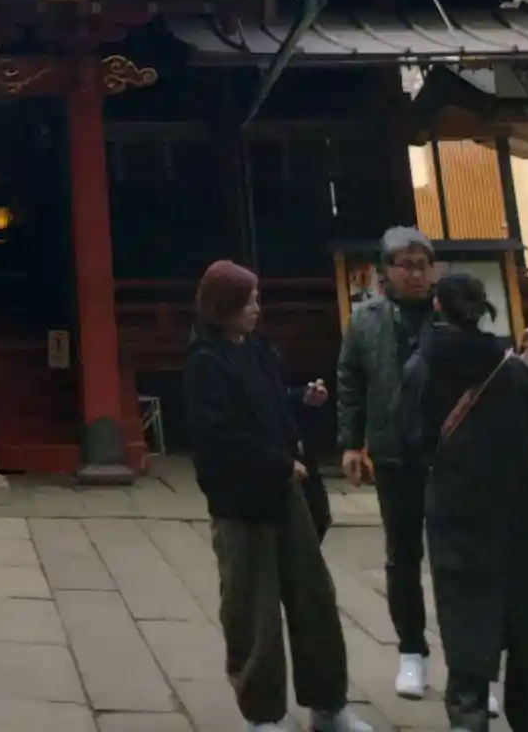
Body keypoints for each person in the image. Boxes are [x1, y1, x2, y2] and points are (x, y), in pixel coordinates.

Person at [184, 259, 371, 732]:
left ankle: (328, 705)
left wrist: (300, 398)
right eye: (247, 301)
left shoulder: (258, 349)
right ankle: (263, 713)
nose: (255, 308)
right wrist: (277, 463)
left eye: (256, 299)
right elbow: (217, 434)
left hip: (287, 492)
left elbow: (268, 406)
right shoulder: (205, 362)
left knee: (314, 599)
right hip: (241, 500)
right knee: (253, 610)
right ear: (222, 306)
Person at [402, 273, 528, 732]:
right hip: (518, 511)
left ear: (438, 306)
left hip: (455, 510)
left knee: (465, 618)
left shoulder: (421, 366)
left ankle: (468, 715)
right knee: (525, 617)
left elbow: (410, 439)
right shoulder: (513, 370)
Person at [337, 225, 452, 704]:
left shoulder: (450, 316)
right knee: (402, 555)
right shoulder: (365, 321)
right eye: (407, 266)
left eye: (424, 265)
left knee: (455, 558)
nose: (417, 275)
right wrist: (350, 443)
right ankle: (411, 651)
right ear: (386, 272)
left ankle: (468, 664)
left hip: (448, 455)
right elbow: (350, 381)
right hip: (393, 452)